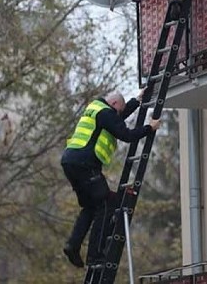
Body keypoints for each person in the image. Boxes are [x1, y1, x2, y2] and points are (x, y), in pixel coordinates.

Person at [61, 90, 161, 268]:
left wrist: (136, 101)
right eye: (119, 111)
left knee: (90, 207)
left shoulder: (95, 107)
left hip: (71, 162)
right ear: (114, 105)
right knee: (107, 204)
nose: (118, 115)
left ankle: (73, 245)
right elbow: (127, 135)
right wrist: (149, 128)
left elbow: (116, 121)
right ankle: (95, 256)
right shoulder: (106, 113)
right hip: (85, 164)